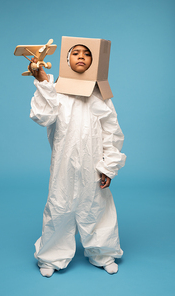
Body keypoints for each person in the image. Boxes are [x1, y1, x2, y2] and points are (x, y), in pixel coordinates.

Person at [29, 44, 126, 277]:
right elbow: (43, 116)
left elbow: (111, 131)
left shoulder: (99, 95)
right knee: (59, 205)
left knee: (96, 207)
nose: (81, 57)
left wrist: (108, 166)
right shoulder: (56, 91)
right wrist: (43, 82)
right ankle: (51, 256)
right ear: (66, 59)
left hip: (93, 164)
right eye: (75, 53)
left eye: (87, 53)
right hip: (64, 162)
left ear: (95, 61)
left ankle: (103, 253)